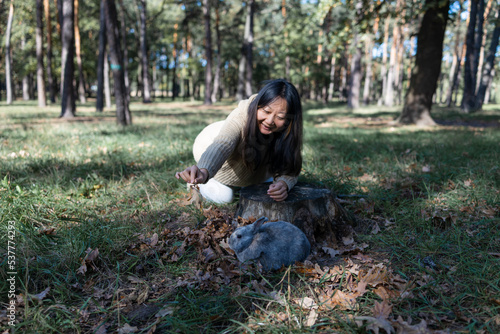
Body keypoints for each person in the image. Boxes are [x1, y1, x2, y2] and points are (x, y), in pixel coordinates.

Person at [175, 79, 303, 204]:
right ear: (257, 105)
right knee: (225, 197)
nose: (270, 121)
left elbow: (289, 168)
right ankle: (196, 184)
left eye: (280, 117)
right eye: (266, 111)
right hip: (213, 146)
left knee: (267, 188)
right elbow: (223, 144)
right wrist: (203, 171)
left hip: (253, 170)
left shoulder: (286, 131)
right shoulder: (240, 117)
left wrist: (283, 184)